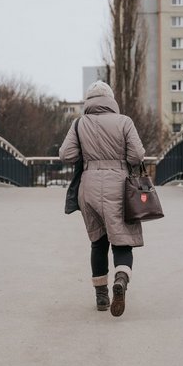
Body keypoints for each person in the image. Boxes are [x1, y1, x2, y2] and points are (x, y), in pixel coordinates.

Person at [60, 81, 145, 317]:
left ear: (89, 101)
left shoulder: (79, 123)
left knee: (98, 241)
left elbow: (66, 155)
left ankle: (101, 297)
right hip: (119, 186)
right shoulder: (124, 121)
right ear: (111, 100)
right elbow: (137, 155)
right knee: (122, 240)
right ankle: (121, 279)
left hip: (88, 186)